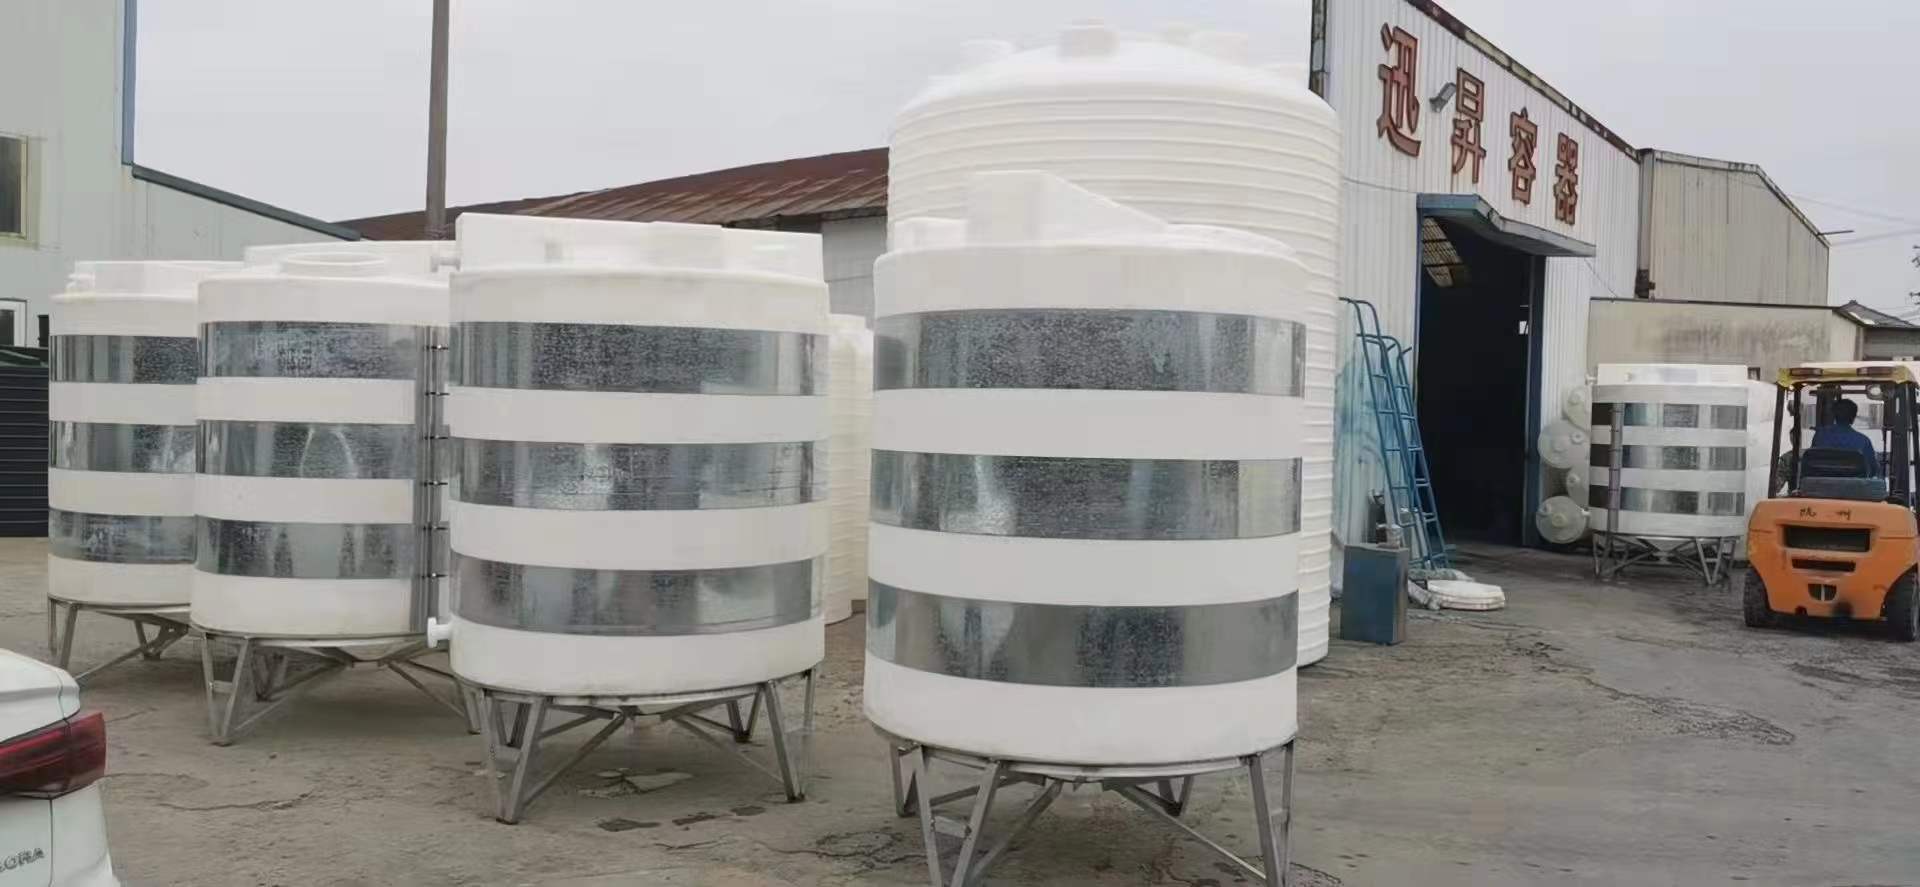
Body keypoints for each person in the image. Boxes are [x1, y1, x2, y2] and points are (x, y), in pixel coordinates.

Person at [1811, 397, 1880, 476]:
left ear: (1834, 415)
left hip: (1821, 482)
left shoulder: (1820, 436)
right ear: (1853, 418)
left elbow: (1811, 462)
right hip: (1854, 483)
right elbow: (1872, 470)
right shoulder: (1863, 441)